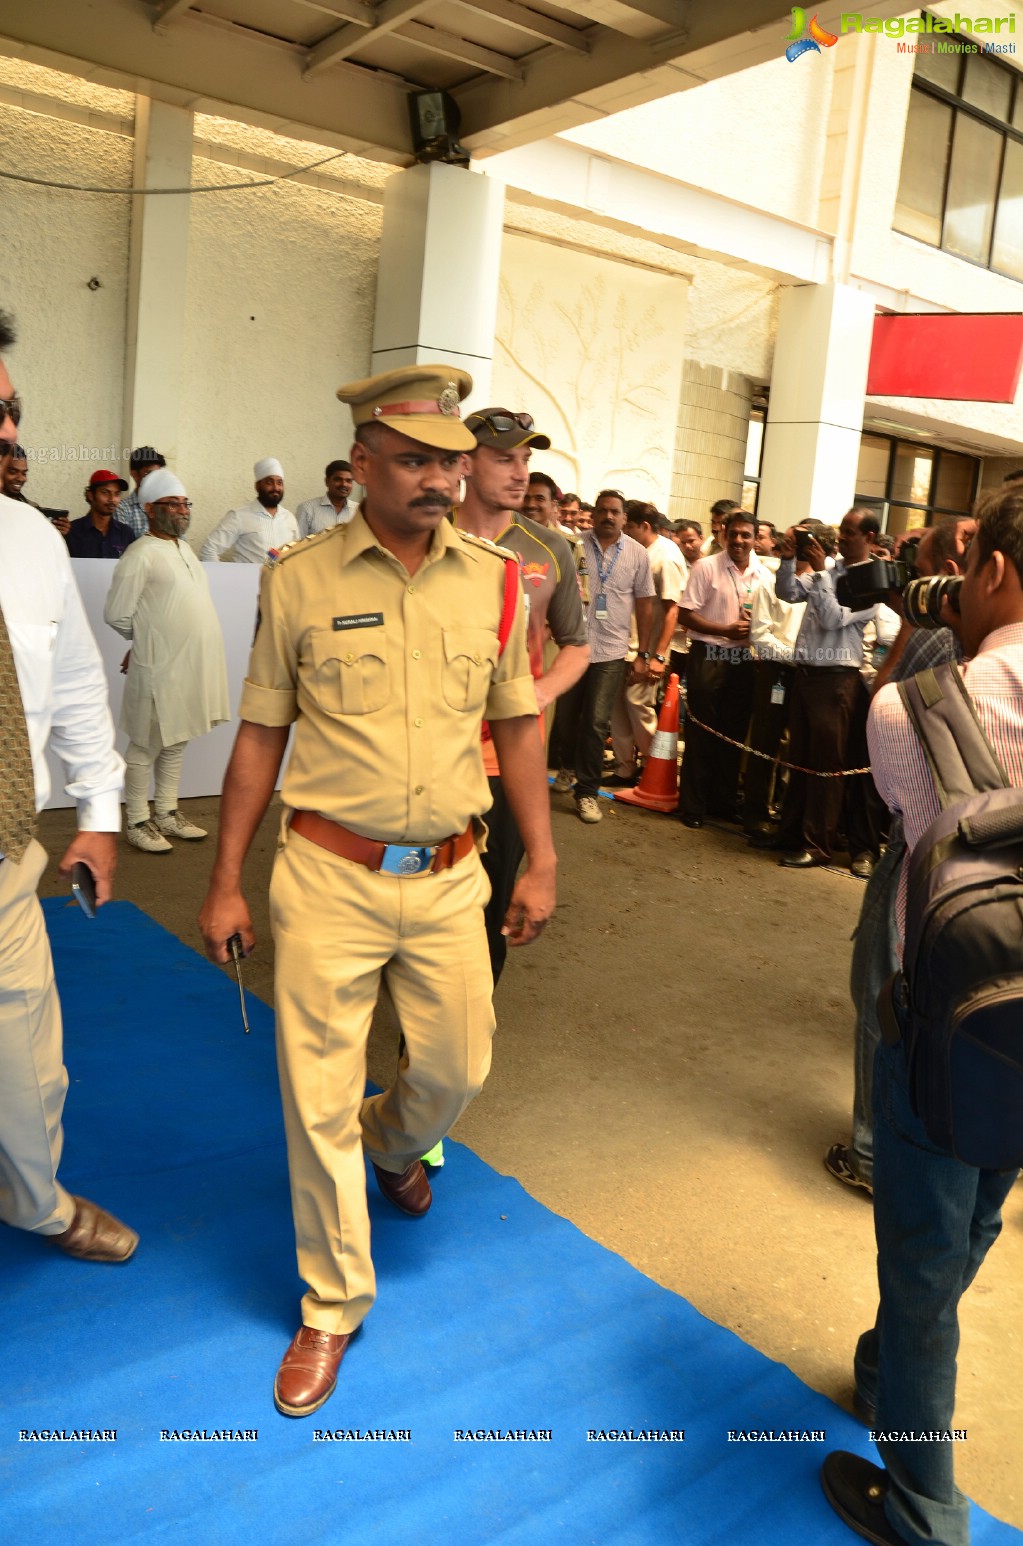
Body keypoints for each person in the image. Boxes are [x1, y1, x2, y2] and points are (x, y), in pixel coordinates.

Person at [197, 364, 555, 1420]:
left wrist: (539, 856)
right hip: (324, 872)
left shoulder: (494, 579)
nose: (441, 480)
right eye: (415, 460)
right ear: (361, 464)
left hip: (453, 875)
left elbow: (518, 724)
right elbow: (260, 733)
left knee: (456, 1065)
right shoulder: (299, 577)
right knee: (312, 1095)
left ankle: (390, 1140)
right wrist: (225, 880)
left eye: (452, 460)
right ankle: (333, 1302)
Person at [822, 484, 1023, 1546]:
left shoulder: (917, 708)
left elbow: (916, 831)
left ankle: (923, 1508)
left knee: (920, 1248)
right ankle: (887, 1362)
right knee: (979, 1209)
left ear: (989, 570)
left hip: (947, 1021)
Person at [0, 307, 137, 1264]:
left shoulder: (32, 543)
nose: (9, 434)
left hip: (5, 855)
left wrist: (97, 815)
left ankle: (34, 1200)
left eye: (10, 410)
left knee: (28, 1061)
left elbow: (81, 687)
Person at [823, 520, 969, 1197]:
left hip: (923, 841)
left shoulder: (941, 633)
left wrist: (913, 626)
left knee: (881, 987)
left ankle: (873, 1153)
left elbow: (883, 716)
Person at [456, 406, 588, 981]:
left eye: (526, 459)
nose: (520, 473)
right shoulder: (428, 535)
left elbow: (577, 644)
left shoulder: (549, 549)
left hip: (506, 759)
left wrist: (537, 693)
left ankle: (461, 1038)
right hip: (428, 751)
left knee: (489, 901)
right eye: (503, 458)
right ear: (464, 463)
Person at [103, 469, 230, 854]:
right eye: (171, 504)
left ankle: (167, 813)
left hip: (191, 665)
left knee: (176, 741)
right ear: (148, 509)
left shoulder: (183, 548)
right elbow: (117, 613)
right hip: (159, 666)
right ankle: (138, 820)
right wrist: (144, 641)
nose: (181, 510)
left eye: (184, 503)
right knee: (145, 744)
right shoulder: (139, 554)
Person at [775, 509, 883, 875]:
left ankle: (817, 845)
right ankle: (789, 834)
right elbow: (787, 593)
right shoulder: (830, 569)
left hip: (836, 679)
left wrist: (820, 572)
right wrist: (789, 559)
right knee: (798, 758)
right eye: (841, 531)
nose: (841, 538)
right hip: (805, 675)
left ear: (869, 537)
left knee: (826, 766)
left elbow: (834, 618)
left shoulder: (870, 581)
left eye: (850, 533)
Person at [553, 489, 654, 823]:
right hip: (572, 645)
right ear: (593, 514)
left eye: (615, 512)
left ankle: (587, 793)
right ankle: (567, 765)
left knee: (596, 723)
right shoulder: (574, 545)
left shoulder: (638, 555)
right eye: (603, 511)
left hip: (611, 650)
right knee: (566, 720)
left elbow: (645, 604)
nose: (608, 516)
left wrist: (645, 654)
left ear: (624, 518)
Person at [676, 510, 770, 828]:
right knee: (702, 731)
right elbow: (685, 615)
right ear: (724, 534)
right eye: (735, 534)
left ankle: (723, 803)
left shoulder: (764, 575)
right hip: (709, 654)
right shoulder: (706, 567)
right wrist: (723, 630)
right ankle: (693, 806)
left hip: (743, 660)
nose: (740, 541)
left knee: (733, 733)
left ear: (756, 538)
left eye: (747, 535)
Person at [609, 504, 685, 784]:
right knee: (619, 708)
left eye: (628, 526)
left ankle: (657, 768)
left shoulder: (665, 557)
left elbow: (672, 610)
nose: (624, 530)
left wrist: (659, 656)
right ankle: (624, 767)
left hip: (648, 648)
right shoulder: (632, 550)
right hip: (622, 644)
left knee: (637, 705)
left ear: (644, 525)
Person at [200, 457, 298, 562]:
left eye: (279, 483)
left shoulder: (289, 518)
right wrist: (225, 577)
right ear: (257, 486)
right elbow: (209, 550)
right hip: (249, 579)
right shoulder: (239, 516)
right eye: (269, 482)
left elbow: (298, 555)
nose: (275, 488)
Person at [65, 469, 134, 558]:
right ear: (90, 495)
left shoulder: (126, 534)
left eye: (117, 494)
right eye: (105, 492)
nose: (112, 499)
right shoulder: (72, 532)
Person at [295, 459, 356, 538]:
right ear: (327, 481)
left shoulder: (359, 511)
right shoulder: (307, 509)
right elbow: (298, 545)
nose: (344, 484)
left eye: (349, 481)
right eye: (338, 479)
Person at [118, 447, 167, 539]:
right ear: (134, 474)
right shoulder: (122, 509)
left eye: (158, 474)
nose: (155, 479)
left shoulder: (167, 506)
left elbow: (181, 543)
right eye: (149, 473)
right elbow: (121, 548)